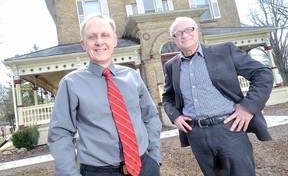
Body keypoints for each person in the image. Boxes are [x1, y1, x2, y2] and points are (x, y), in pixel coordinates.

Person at [48, 13, 162, 176]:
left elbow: (150, 116)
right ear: (83, 44)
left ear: (114, 41)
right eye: (92, 37)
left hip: (145, 167)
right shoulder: (71, 84)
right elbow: (60, 133)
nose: (99, 41)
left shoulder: (132, 76)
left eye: (105, 35)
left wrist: (154, 158)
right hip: (99, 172)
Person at [162, 16, 274, 176]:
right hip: (197, 135)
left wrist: (248, 108)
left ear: (197, 31)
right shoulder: (171, 66)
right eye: (178, 33)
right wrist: (175, 117)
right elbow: (168, 97)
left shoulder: (224, 51)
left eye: (189, 29)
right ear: (173, 39)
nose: (184, 35)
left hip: (230, 129)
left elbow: (262, 73)